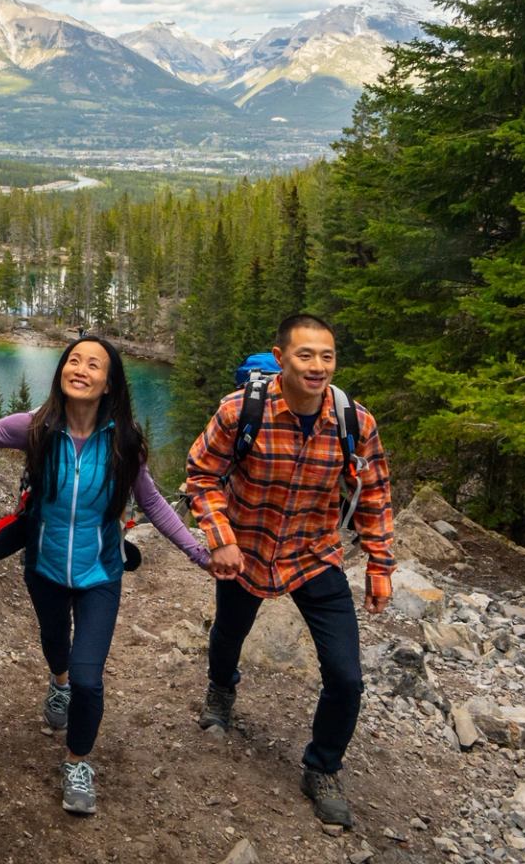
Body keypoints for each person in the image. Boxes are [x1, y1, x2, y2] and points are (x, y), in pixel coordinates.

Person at [0, 338, 210, 816]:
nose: (79, 368)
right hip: (43, 569)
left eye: (93, 364)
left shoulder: (125, 442)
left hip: (99, 575)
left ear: (109, 384)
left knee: (90, 680)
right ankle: (57, 681)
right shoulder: (35, 427)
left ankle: (78, 762)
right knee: (54, 646)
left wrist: (199, 554)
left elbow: (153, 505)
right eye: (73, 360)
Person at [184, 313, 395, 829]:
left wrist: (380, 563)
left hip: (313, 553)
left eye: (327, 356)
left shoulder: (354, 422)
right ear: (280, 358)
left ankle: (322, 768)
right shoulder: (241, 411)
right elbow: (200, 474)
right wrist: (222, 538)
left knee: (346, 677)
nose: (318, 366)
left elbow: (374, 493)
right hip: (248, 550)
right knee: (229, 633)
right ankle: (221, 689)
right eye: (306, 355)